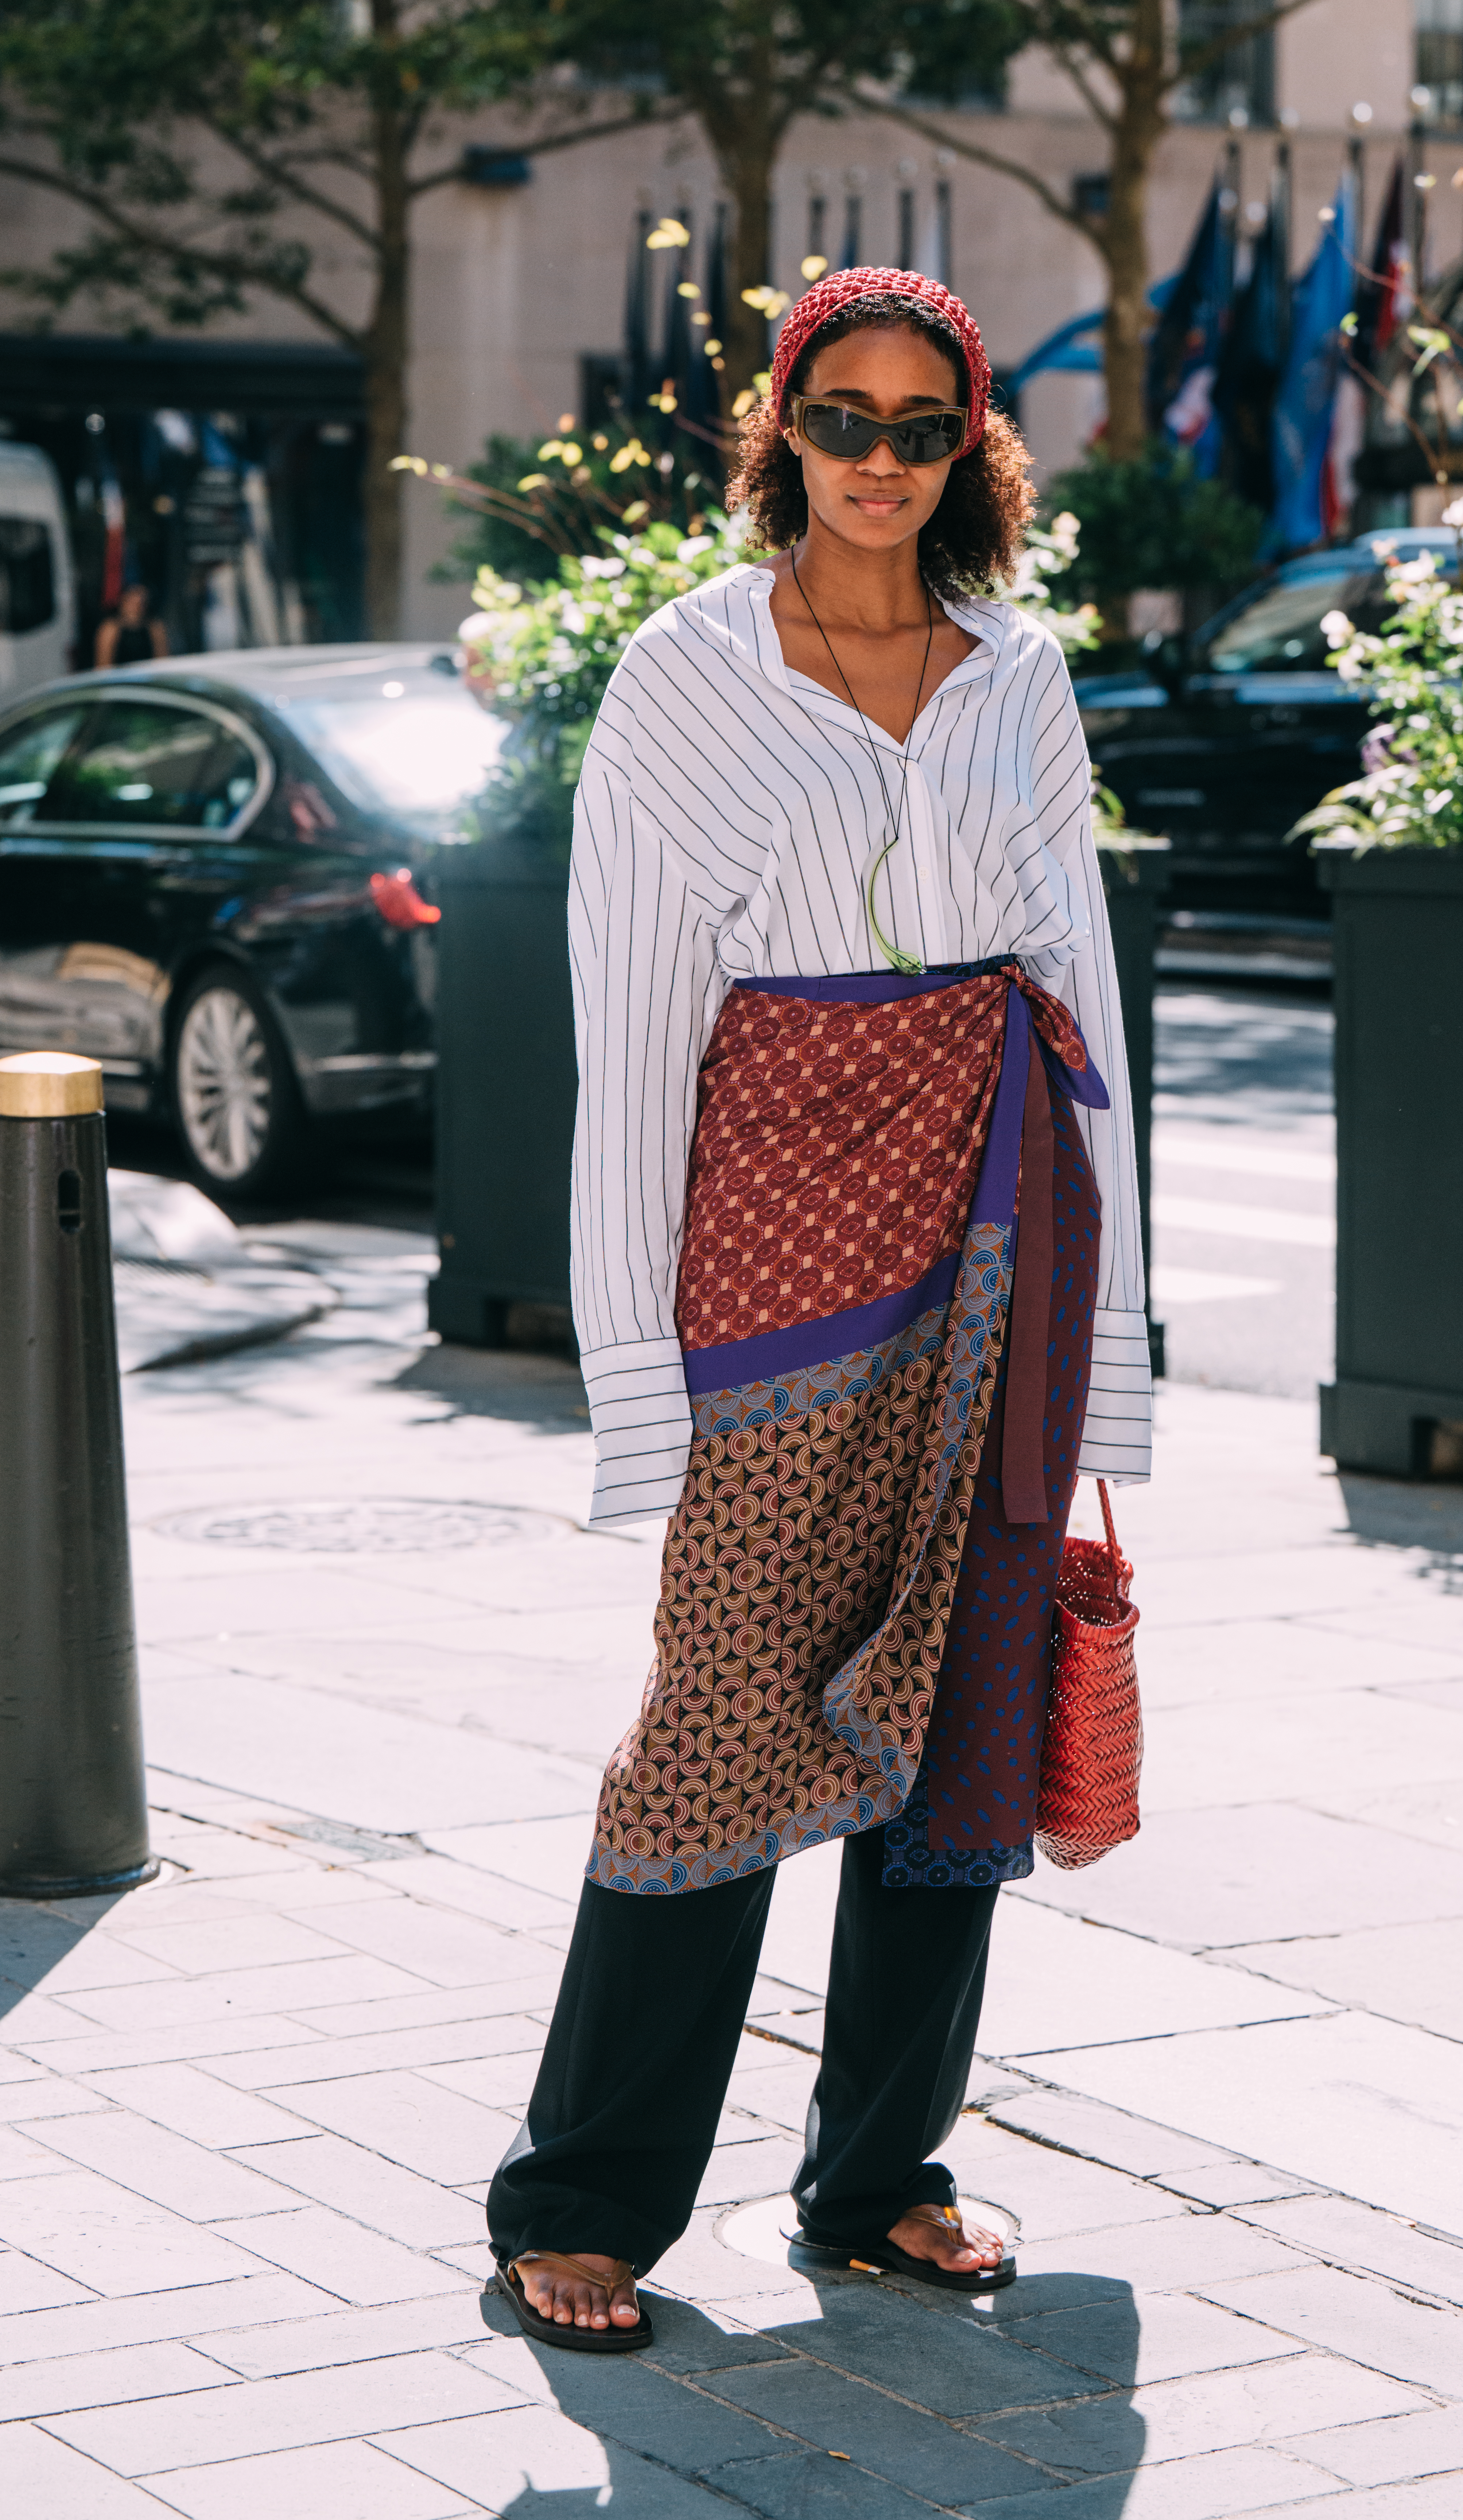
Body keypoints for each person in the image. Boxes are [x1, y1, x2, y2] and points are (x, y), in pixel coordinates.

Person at [486, 265, 1152, 2353]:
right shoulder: (686, 678)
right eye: (840, 419)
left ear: (972, 445)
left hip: (997, 1218)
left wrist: (1108, 1338)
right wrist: (630, 1377)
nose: (878, 459)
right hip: (769, 1257)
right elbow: (637, 1034)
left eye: (917, 423)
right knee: (717, 1720)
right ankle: (579, 2193)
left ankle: (876, 2178)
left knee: (961, 1714)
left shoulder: (1012, 676)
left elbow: (1079, 1000)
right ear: (781, 432)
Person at [94, 582, 170, 669]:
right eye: (132, 602)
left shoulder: (155, 628)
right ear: (122, 602)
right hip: (118, 680)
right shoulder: (110, 628)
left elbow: (162, 663)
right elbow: (103, 668)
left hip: (148, 677)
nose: (136, 607)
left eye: (141, 603)